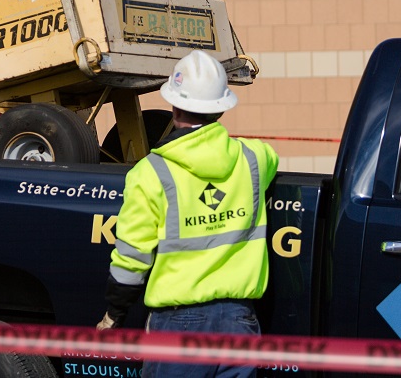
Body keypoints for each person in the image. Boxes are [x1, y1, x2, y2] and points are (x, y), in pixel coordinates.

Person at [96, 50, 279, 378]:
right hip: (240, 322)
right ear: (221, 108)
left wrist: (114, 315)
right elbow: (271, 159)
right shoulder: (254, 159)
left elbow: (131, 260)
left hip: (180, 327)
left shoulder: (149, 174)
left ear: (173, 104)